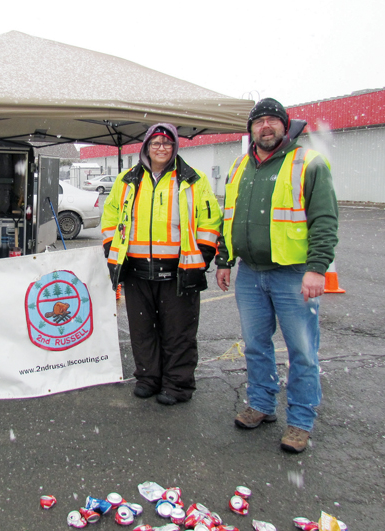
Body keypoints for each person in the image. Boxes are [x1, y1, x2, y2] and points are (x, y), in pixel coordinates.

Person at [215, 98, 339, 453]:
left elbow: (325, 221)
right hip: (250, 274)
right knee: (255, 345)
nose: (265, 127)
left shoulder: (308, 162)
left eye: (272, 120)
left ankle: (300, 422)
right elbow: (230, 217)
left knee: (302, 350)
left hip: (293, 275)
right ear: (250, 129)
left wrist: (317, 269)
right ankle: (262, 405)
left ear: (286, 125)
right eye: (259, 122)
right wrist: (225, 260)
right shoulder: (240, 166)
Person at [102, 123, 222, 405]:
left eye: (167, 143)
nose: (161, 148)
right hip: (136, 270)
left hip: (179, 270)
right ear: (146, 147)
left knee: (178, 331)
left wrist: (202, 256)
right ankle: (148, 378)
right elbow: (110, 216)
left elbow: (210, 220)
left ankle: (177, 385)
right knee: (142, 330)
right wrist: (112, 247)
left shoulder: (193, 179)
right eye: (155, 143)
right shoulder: (127, 179)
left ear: (175, 147)